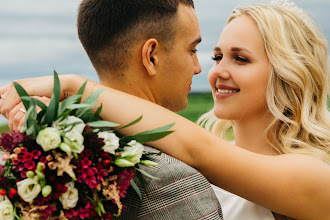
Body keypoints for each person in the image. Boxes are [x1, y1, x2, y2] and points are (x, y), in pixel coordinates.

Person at [1, 0, 330, 219]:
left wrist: (76, 87)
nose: (213, 71)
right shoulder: (184, 167)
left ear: (289, 73)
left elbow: (197, 147)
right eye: (216, 56)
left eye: (240, 58)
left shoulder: (315, 176)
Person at [0, 0, 224, 220]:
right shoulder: (169, 179)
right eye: (192, 49)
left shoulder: (40, 165)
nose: (198, 67)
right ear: (151, 56)